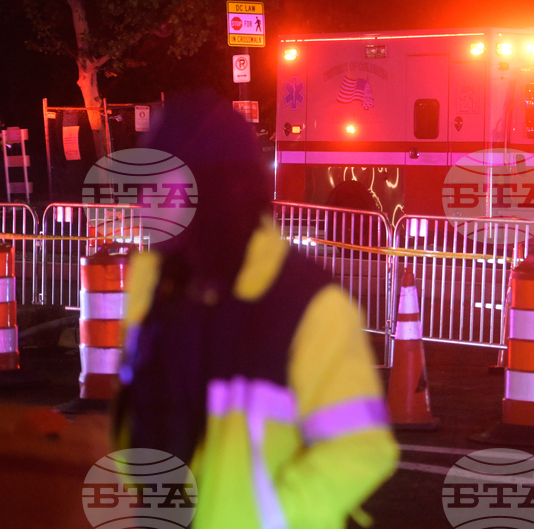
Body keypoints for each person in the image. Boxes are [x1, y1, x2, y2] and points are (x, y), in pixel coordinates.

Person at [113, 91, 398, 528]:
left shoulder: (306, 302)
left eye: (160, 186)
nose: (143, 204)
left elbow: (361, 448)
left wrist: (267, 518)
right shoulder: (153, 286)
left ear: (215, 188)